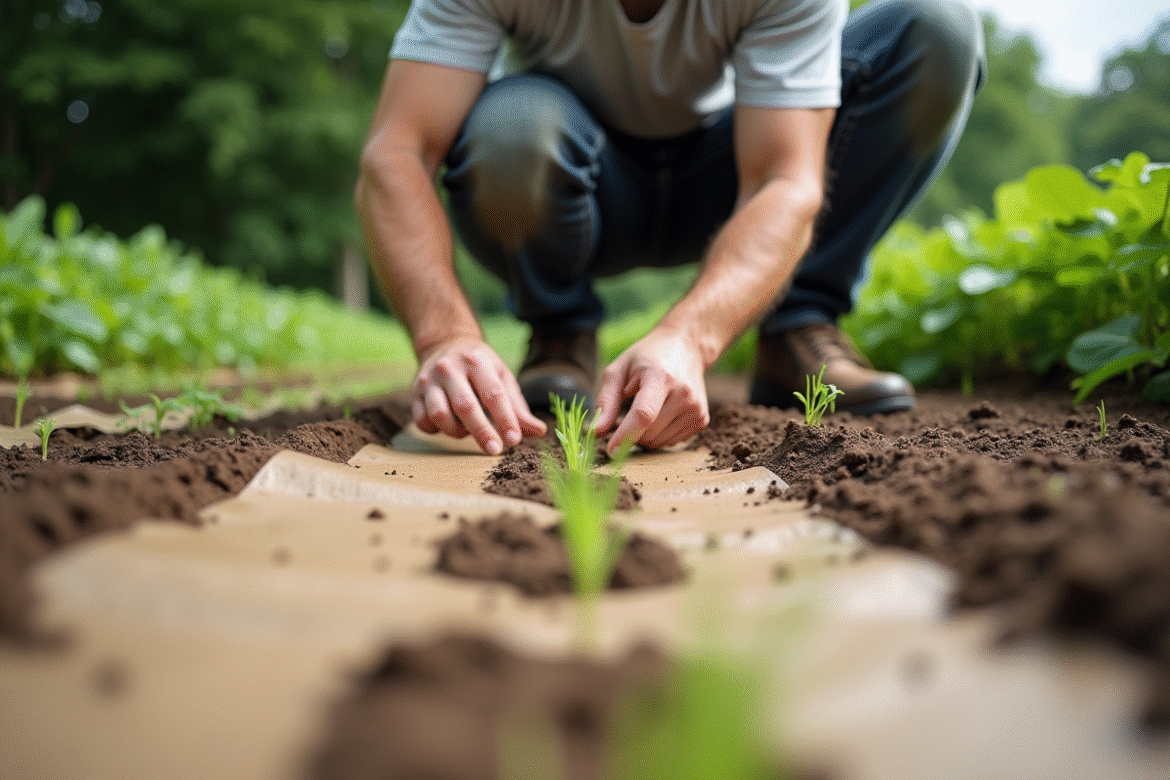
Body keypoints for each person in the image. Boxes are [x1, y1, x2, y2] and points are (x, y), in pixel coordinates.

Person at [356, 0, 985, 456]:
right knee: (511, 131)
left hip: (728, 176)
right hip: (580, 181)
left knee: (936, 29)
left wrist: (692, 337)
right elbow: (397, 153)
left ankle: (797, 325)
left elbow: (783, 181)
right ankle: (560, 333)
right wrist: (444, 337)